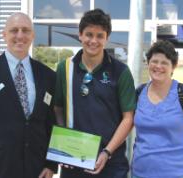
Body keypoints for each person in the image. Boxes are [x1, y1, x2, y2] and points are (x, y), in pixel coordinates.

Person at [0, 12, 57, 178]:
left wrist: (51, 164)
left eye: (26, 30)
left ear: (32, 35)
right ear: (4, 35)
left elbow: (50, 124)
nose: (20, 35)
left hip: (36, 169)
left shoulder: (47, 75)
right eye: (14, 30)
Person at [54, 9, 136, 178]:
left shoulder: (120, 71)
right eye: (89, 34)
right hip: (74, 161)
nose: (94, 40)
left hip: (111, 163)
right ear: (80, 35)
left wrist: (107, 152)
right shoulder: (65, 68)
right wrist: (62, 145)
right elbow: (57, 109)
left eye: (100, 35)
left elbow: (129, 118)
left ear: (107, 38)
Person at [131, 40, 183, 178]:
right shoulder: (139, 93)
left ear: (173, 67)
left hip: (177, 174)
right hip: (140, 173)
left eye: (165, 63)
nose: (158, 66)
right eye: (154, 61)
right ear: (148, 63)